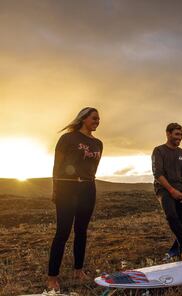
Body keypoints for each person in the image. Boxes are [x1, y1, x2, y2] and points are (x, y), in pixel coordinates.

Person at [47, 107, 103, 291]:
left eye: (98, 119)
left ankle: (78, 270)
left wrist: (88, 184)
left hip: (88, 187)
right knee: (62, 232)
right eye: (94, 118)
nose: (97, 121)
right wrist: (56, 189)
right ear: (83, 118)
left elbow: (93, 169)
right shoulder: (67, 138)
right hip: (67, 186)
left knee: (81, 230)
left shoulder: (98, 143)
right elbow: (57, 165)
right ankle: (52, 277)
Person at [152, 123, 182, 260]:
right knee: (171, 216)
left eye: (181, 135)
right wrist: (171, 190)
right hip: (163, 188)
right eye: (177, 134)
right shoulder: (159, 151)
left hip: (181, 189)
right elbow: (157, 174)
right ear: (168, 134)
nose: (180, 137)